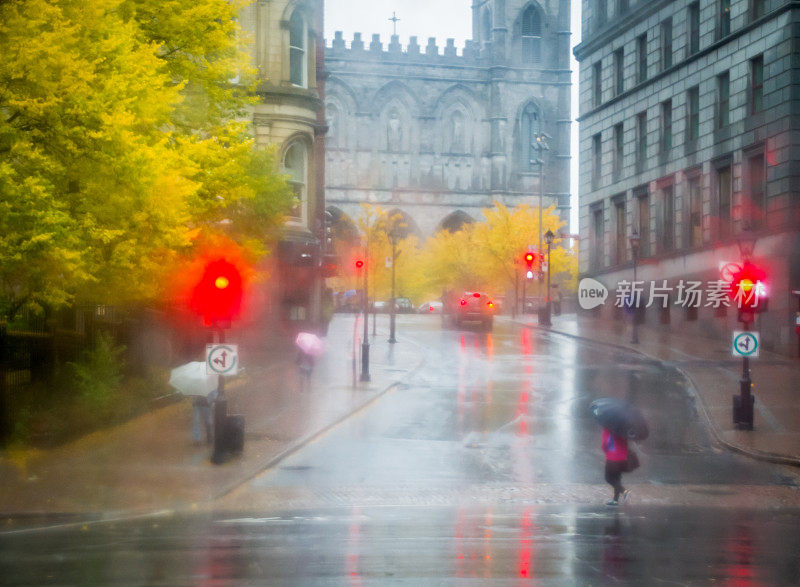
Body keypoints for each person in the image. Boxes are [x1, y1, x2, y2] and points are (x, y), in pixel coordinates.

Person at [602, 427, 630, 505]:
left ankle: (624, 491)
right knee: (617, 479)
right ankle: (615, 500)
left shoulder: (609, 429)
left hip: (613, 458)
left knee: (608, 478)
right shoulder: (623, 429)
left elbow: (606, 445)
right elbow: (625, 445)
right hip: (622, 458)